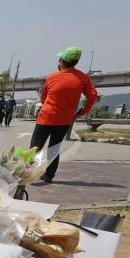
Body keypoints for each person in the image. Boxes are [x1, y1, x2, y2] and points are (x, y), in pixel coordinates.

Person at [31, 46, 97, 182]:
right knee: (54, 148)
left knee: (35, 148)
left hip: (46, 118)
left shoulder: (51, 77)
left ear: (61, 61)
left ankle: (27, 174)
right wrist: (82, 112)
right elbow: (92, 95)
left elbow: (44, 98)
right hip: (65, 120)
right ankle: (48, 175)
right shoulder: (83, 78)